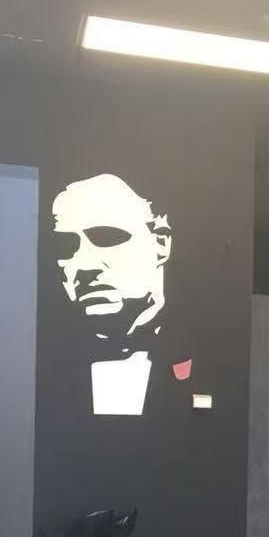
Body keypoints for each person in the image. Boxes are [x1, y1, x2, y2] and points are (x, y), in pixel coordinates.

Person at [50, 173, 184, 415]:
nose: (84, 264)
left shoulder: (209, 354)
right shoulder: (43, 368)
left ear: (161, 243)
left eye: (107, 237)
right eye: (66, 246)